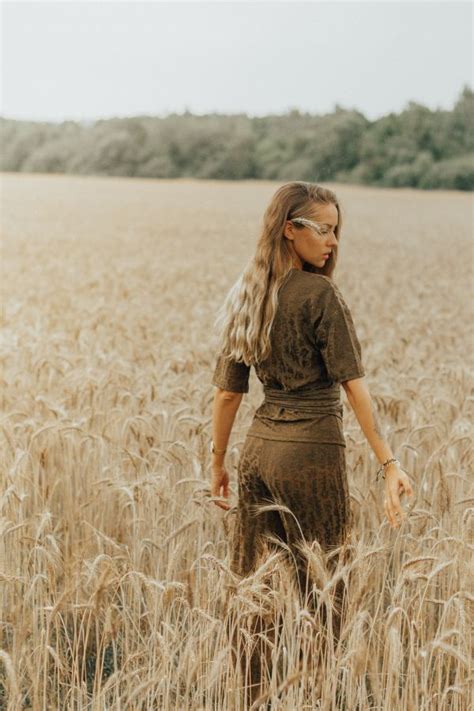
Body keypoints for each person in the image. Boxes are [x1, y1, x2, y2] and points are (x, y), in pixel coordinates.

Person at [209, 181, 414, 707]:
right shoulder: (320, 295)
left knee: (253, 588)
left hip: (257, 454)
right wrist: (388, 462)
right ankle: (317, 696)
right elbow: (353, 385)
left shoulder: (247, 293)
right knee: (324, 594)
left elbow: (229, 395)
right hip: (311, 456)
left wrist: (218, 464)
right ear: (289, 229)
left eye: (337, 230)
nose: (333, 241)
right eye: (323, 229)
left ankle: (250, 698)